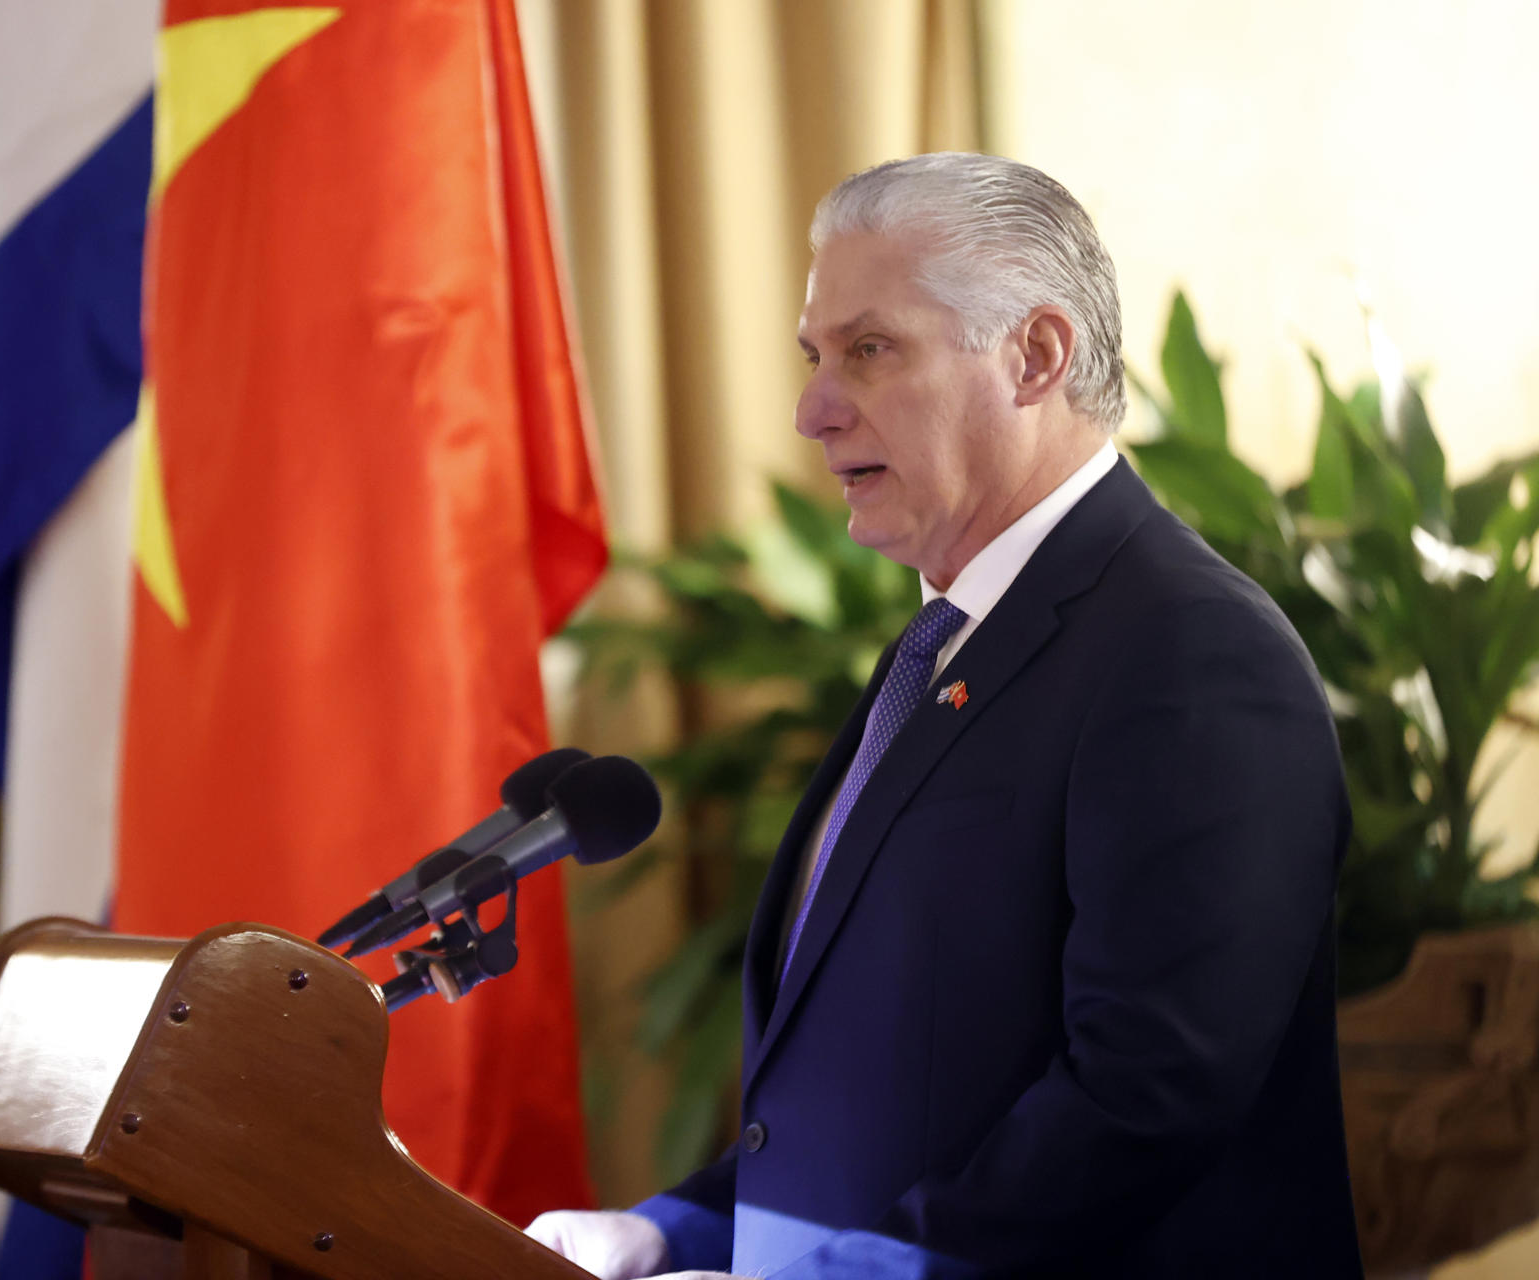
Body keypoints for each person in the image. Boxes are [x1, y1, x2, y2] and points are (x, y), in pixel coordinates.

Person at [527, 154, 1362, 1278]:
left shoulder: (1193, 652)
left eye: (870, 350)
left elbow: (1149, 1092)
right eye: (815, 356)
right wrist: (669, 1229)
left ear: (1035, 355)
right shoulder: (947, 642)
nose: (813, 410)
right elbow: (889, 1090)